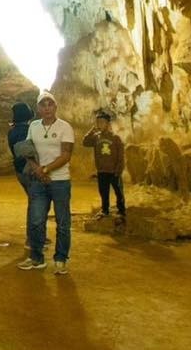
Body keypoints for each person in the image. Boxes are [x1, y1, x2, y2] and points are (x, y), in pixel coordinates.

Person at [18, 91, 74, 275]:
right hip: (38, 181)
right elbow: (27, 150)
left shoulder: (65, 127)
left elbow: (66, 155)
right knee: (36, 220)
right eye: (43, 105)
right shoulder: (33, 126)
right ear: (38, 108)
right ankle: (37, 257)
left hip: (60, 181)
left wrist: (46, 169)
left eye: (50, 104)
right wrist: (37, 169)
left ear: (55, 107)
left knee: (63, 222)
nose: (47, 108)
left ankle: (60, 259)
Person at [83, 110, 126, 220]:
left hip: (114, 171)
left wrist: (118, 170)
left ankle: (121, 211)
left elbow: (121, 156)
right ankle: (105, 210)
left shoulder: (115, 138)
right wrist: (91, 131)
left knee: (118, 191)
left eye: (102, 122)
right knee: (103, 192)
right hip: (102, 171)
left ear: (108, 124)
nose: (99, 124)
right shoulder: (96, 137)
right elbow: (85, 142)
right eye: (98, 122)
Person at [7, 101, 35, 247]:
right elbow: (27, 152)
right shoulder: (26, 130)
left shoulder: (12, 131)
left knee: (34, 202)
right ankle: (32, 238)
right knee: (35, 203)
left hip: (19, 171)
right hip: (28, 170)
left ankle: (35, 236)